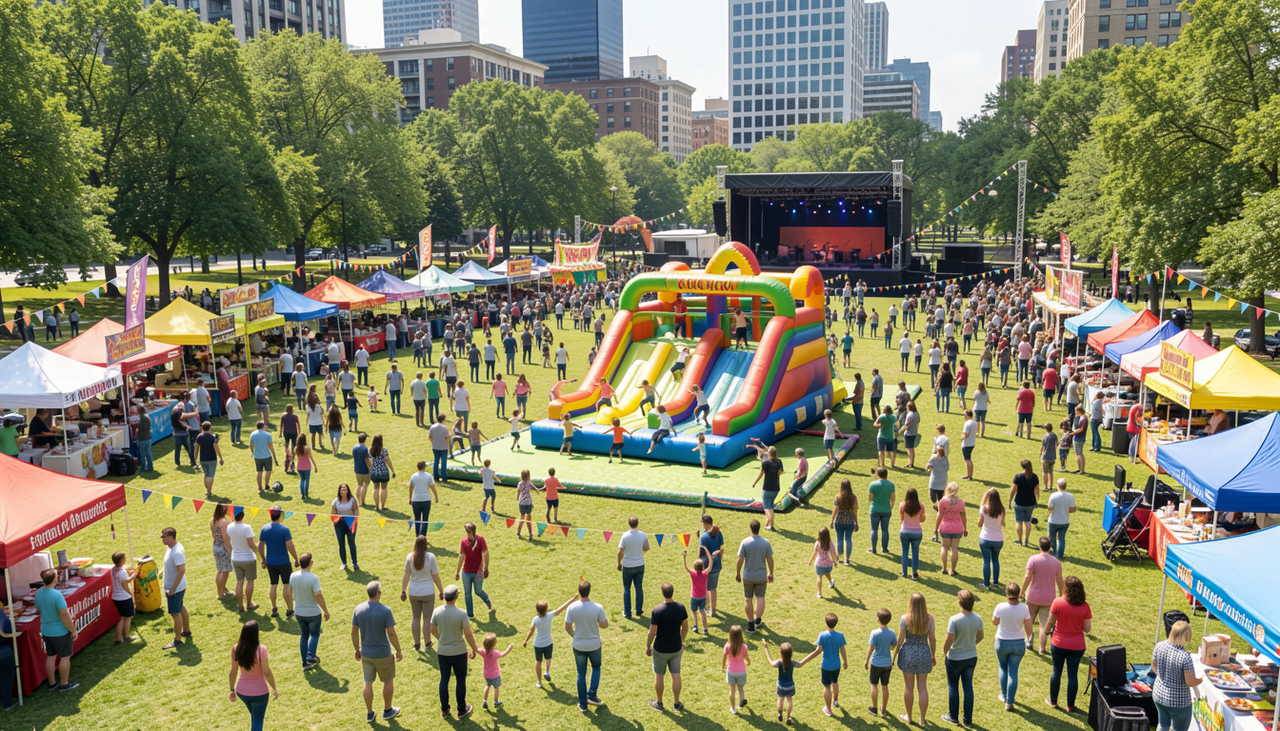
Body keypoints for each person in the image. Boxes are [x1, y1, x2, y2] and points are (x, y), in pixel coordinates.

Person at [352, 582, 403, 722]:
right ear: (378, 593)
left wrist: (357, 649)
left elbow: (354, 632)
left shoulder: (358, 609)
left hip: (366, 654)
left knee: (367, 682)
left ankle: (369, 713)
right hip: (383, 654)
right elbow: (391, 633)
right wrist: (398, 650)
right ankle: (387, 710)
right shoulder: (385, 610)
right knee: (388, 681)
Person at [1044, 576, 1091, 712]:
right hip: (1077, 646)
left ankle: (1053, 701)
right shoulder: (1085, 606)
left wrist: (1046, 632)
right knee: (1073, 675)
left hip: (1058, 643)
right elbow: (1087, 629)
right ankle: (1070, 705)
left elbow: (1051, 622)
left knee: (1056, 671)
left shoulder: (1058, 602)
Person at [565, 580, 609, 713]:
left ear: (579, 591)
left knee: (581, 673)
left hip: (579, 645)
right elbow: (605, 625)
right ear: (589, 591)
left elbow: (567, 627)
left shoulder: (572, 607)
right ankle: (592, 693)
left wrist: (575, 636)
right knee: (596, 667)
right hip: (594, 644)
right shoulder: (597, 607)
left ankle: (583, 704)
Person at [893, 593, 936, 725]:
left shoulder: (905, 618)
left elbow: (900, 639)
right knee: (922, 687)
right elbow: (932, 639)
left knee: (908, 687)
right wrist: (933, 655)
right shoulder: (930, 618)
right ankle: (922, 719)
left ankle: (909, 716)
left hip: (908, 654)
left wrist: (894, 656)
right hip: (924, 653)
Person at [645, 582, 690, 711]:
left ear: (662, 593)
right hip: (676, 648)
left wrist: (648, 646)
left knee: (659, 675)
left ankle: (659, 703)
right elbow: (685, 627)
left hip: (660, 649)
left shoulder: (657, 610)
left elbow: (652, 631)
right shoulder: (681, 608)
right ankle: (676, 704)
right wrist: (681, 640)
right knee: (676, 675)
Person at [942, 590, 984, 726]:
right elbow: (981, 636)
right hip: (971, 656)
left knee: (953, 686)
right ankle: (967, 719)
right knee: (968, 687)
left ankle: (953, 716)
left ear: (960, 602)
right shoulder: (977, 618)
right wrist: (971, 644)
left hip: (955, 657)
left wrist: (944, 651)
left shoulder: (954, 619)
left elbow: (949, 639)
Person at [1151, 620, 1203, 731]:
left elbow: (1154, 666)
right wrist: (1200, 679)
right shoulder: (1185, 657)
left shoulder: (1159, 646)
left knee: (1162, 725)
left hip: (1159, 695)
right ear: (1186, 637)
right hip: (1178, 703)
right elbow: (1190, 682)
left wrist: (1163, 676)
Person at [228, 620, 279, 731]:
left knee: (255, 717)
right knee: (257, 720)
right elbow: (267, 672)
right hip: (260, 692)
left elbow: (233, 671)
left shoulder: (236, 649)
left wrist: (231, 689)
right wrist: (274, 688)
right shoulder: (261, 649)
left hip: (242, 691)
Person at [35, 568, 81, 690]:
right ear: (55, 579)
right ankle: (64, 683)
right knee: (65, 657)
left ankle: (52, 683)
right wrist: (72, 630)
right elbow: (64, 614)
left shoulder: (39, 592)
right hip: (59, 631)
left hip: (46, 630)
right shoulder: (57, 595)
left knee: (51, 656)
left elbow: (38, 607)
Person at [992, 583, 1033, 711]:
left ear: (1007, 593)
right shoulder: (1024, 608)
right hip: (1018, 644)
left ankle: (1004, 696)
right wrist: (1028, 637)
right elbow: (1028, 626)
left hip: (1002, 642)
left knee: (1003, 668)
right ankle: (1009, 702)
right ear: (1019, 594)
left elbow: (995, 622)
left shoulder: (1000, 607)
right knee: (1013, 672)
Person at [1021, 537, 1065, 654]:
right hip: (1049, 598)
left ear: (1040, 546)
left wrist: (1022, 591)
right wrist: (1062, 595)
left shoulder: (1033, 559)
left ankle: (1029, 640)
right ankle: (1042, 648)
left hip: (1033, 596)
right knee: (1044, 624)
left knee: (1029, 619)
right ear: (1050, 547)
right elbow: (1060, 581)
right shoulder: (1056, 562)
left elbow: (1027, 577)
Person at [400, 535, 443, 652]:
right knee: (427, 618)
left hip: (413, 591)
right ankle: (427, 641)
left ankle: (416, 642)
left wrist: (403, 590)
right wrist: (441, 590)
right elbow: (435, 575)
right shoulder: (430, 557)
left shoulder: (410, 557)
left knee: (415, 617)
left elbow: (406, 575)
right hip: (428, 591)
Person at [800, 612, 848, 717]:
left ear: (826, 623)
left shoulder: (822, 635)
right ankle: (835, 701)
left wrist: (805, 659)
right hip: (837, 664)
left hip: (826, 665)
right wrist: (845, 661)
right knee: (835, 682)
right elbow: (842, 650)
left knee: (827, 687)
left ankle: (828, 709)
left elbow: (818, 650)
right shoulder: (840, 635)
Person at [524, 594, 577, 688]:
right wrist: (573, 598)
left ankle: (539, 682)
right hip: (548, 643)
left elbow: (531, 632)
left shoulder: (535, 619)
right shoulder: (550, 615)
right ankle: (547, 672)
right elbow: (562, 607)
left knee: (538, 661)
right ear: (546, 609)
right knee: (548, 658)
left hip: (538, 644)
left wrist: (526, 641)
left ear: (537, 610)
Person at [290, 553, 330, 670]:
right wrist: (326, 611)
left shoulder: (293, 576)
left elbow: (288, 592)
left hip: (299, 611)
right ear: (311, 562)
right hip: (313, 612)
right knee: (314, 634)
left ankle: (305, 663)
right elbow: (318, 595)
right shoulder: (313, 578)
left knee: (304, 635)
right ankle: (310, 656)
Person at [258, 506, 299, 618]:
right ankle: (290, 610)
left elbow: (260, 546)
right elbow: (290, 546)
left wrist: (263, 559)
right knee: (286, 585)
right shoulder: (284, 530)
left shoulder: (264, 528)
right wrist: (296, 559)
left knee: (273, 585)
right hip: (284, 562)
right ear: (280, 515)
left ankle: (274, 608)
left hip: (271, 562)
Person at [735, 519, 774, 634]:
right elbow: (770, 559)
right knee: (760, 597)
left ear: (750, 528)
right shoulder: (766, 543)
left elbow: (740, 560)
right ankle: (758, 619)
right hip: (761, 575)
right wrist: (771, 572)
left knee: (748, 599)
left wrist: (738, 573)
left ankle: (750, 623)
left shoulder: (745, 542)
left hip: (748, 576)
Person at [763, 638, 809, 724]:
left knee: (780, 699)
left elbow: (770, 662)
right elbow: (801, 664)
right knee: (789, 701)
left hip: (780, 685)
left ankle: (780, 713)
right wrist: (812, 654)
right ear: (791, 653)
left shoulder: (779, 663)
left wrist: (766, 648)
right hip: (790, 686)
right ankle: (788, 717)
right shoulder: (792, 663)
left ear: (781, 653)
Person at [616, 515, 651, 618]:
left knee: (627, 588)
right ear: (637, 523)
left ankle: (627, 612)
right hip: (640, 564)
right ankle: (639, 610)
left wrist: (619, 563)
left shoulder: (625, 535)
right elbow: (647, 547)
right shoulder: (643, 535)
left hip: (628, 565)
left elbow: (620, 551)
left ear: (629, 524)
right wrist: (641, 551)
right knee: (639, 587)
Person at [454, 522, 492, 618]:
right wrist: (457, 571)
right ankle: (470, 614)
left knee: (478, 591)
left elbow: (486, 554)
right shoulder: (464, 542)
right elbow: (461, 557)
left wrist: (486, 568)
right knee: (467, 594)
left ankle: (487, 600)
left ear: (472, 532)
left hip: (478, 572)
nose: (467, 533)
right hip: (466, 572)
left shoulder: (480, 540)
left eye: (468, 532)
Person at [865, 608, 897, 717]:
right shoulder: (892, 632)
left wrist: (866, 661)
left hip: (876, 663)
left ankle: (874, 708)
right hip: (887, 663)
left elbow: (871, 648)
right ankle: (883, 708)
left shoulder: (874, 633)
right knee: (885, 685)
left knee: (874, 684)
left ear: (878, 619)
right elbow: (893, 647)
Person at [977, 488, 1007, 589]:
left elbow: (980, 521)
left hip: (985, 538)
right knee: (995, 560)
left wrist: (986, 492)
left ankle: (986, 584)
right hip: (998, 539)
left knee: (986, 561)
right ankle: (995, 582)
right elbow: (1002, 523)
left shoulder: (984, 509)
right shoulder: (1002, 510)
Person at [935, 482, 967, 576]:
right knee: (954, 549)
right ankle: (952, 570)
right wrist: (965, 528)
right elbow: (963, 515)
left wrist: (936, 528)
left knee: (944, 547)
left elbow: (940, 515)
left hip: (945, 527)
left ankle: (944, 568)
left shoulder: (943, 501)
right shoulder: (960, 502)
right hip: (957, 527)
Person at [698, 514, 725, 618]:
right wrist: (720, 560)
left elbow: (700, 553)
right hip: (717, 564)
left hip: (706, 565)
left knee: (709, 588)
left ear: (704, 523)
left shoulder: (704, 537)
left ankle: (711, 610)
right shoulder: (719, 533)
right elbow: (722, 549)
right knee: (711, 587)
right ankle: (708, 606)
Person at [1009, 460, 1041, 547]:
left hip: (1019, 502)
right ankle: (1026, 540)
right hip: (1030, 503)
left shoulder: (1018, 476)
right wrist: (1037, 500)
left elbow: (1013, 490)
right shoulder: (1034, 477)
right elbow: (1037, 490)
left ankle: (1020, 540)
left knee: (1019, 521)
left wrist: (1009, 500)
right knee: (1027, 521)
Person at [752, 446, 784, 531]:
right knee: (770, 505)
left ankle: (771, 525)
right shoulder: (779, 461)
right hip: (776, 487)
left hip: (767, 487)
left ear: (769, 453)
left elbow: (761, 473)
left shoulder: (765, 463)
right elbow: (780, 471)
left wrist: (755, 483)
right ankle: (769, 521)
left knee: (768, 507)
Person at [110, 551, 138, 644]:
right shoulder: (121, 572)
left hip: (116, 597)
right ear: (121, 560)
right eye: (124, 558)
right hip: (124, 597)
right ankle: (126, 637)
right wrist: (134, 576)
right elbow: (126, 583)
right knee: (128, 617)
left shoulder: (113, 569)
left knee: (121, 618)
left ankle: (118, 639)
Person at [830, 479, 859, 566]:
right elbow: (855, 511)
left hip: (839, 521)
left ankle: (840, 558)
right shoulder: (853, 497)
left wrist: (831, 521)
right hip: (849, 521)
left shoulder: (838, 496)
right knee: (848, 539)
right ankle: (847, 559)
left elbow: (835, 510)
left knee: (839, 539)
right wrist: (856, 522)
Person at [899, 488, 927, 579]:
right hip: (917, 532)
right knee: (915, 552)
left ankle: (904, 572)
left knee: (905, 551)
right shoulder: (920, 506)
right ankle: (914, 573)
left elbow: (902, 518)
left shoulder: (903, 505)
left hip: (905, 531)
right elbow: (922, 519)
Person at [1046, 478, 1077, 559]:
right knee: (1061, 539)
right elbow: (1073, 509)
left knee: (1052, 537)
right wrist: (1066, 510)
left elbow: (1050, 508)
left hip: (1053, 520)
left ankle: (1054, 552)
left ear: (1057, 486)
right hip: (1065, 521)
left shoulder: (1053, 495)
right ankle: (1060, 554)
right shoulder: (1070, 496)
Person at [723, 624, 750, 714]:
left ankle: (733, 708)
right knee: (740, 689)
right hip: (741, 671)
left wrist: (723, 666)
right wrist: (749, 661)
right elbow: (746, 657)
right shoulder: (744, 647)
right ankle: (741, 701)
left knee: (732, 690)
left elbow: (724, 657)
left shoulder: (728, 646)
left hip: (731, 671)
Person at [868, 467, 895, 555]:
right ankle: (885, 549)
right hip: (886, 509)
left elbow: (870, 499)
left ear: (878, 474)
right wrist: (890, 507)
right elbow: (892, 499)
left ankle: (873, 549)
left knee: (874, 529)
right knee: (885, 530)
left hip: (875, 509)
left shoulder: (873, 484)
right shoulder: (891, 485)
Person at [332, 484, 360, 571]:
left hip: (350, 524)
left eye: (345, 489)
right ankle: (344, 563)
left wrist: (354, 522)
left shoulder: (352, 500)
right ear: (339, 491)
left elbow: (356, 511)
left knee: (351, 543)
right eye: (341, 489)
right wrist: (336, 522)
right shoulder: (336, 501)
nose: (343, 491)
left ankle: (354, 562)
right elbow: (333, 514)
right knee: (341, 544)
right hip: (339, 525)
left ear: (348, 491)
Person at [807, 527, 839, 599]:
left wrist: (810, 562)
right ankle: (831, 582)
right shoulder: (830, 544)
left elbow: (814, 553)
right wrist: (835, 562)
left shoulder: (818, 543)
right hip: (828, 564)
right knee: (827, 573)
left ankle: (819, 593)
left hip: (819, 563)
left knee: (819, 576)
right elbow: (834, 555)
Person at [195, 421, 224, 498]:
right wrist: (221, 458)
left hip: (203, 459)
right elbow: (217, 448)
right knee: (210, 475)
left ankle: (207, 489)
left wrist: (195, 458)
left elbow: (196, 448)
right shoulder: (212, 437)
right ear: (209, 428)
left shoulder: (199, 437)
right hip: (211, 458)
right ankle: (209, 491)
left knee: (206, 474)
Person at [368, 434, 396, 512]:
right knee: (384, 489)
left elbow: (370, 461)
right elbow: (388, 460)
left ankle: (377, 506)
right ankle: (383, 506)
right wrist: (393, 471)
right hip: (383, 472)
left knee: (376, 488)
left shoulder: (370, 450)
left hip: (374, 471)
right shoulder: (384, 450)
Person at [249, 421, 277, 492]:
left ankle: (260, 487)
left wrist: (253, 452)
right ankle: (266, 485)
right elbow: (270, 446)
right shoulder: (267, 435)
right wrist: (273, 454)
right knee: (268, 470)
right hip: (267, 455)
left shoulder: (253, 434)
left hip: (257, 456)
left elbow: (251, 445)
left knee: (259, 471)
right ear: (263, 426)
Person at [960, 410, 977, 480]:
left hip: (967, 444)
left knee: (967, 460)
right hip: (972, 443)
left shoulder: (967, 423)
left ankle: (969, 475)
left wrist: (962, 438)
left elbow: (966, 434)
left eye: (964, 414)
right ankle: (970, 474)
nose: (964, 416)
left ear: (967, 415)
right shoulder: (974, 422)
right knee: (969, 459)